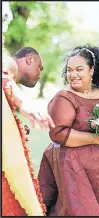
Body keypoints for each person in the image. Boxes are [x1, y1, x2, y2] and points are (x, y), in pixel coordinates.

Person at [38, 44, 99, 216]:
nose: (73, 74)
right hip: (73, 169)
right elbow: (59, 133)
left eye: (79, 69)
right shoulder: (64, 97)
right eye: (69, 70)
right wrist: (97, 139)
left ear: (91, 70)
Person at [2, 45, 54, 216]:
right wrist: (24, 104)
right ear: (29, 59)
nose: (40, 74)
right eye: (40, 67)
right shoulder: (9, 62)